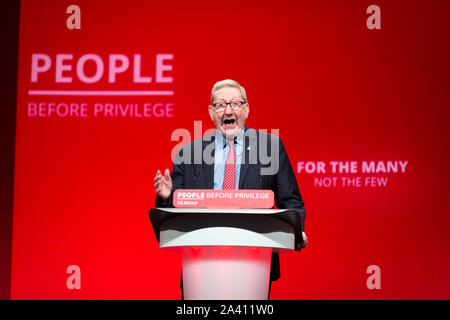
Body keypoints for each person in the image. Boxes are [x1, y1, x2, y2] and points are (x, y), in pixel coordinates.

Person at [154, 79, 307, 298]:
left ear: (246, 109)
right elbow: (175, 208)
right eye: (220, 105)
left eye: (235, 103)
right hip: (201, 262)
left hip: (255, 260)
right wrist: (167, 196)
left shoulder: (269, 147)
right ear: (210, 111)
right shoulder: (188, 152)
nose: (228, 110)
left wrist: (297, 230)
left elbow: (291, 200)